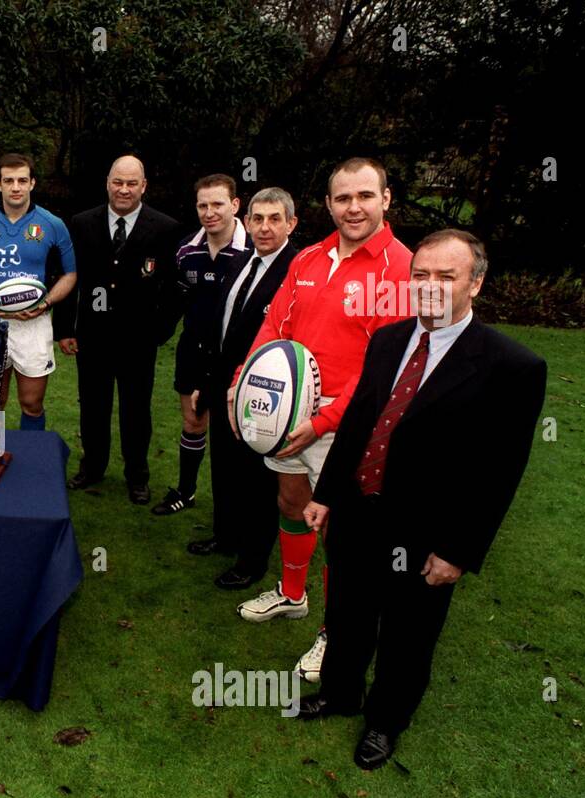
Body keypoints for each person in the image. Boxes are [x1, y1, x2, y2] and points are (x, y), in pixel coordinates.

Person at [296, 230, 547, 769]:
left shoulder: (512, 366)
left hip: (426, 533)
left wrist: (458, 550)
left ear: (476, 283)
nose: (429, 286)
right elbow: (361, 421)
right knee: (346, 614)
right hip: (359, 513)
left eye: (446, 276)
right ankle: (341, 694)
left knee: (408, 638)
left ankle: (385, 723)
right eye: (421, 274)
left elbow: (501, 472)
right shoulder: (388, 339)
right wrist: (327, 494)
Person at [228, 159, 412, 684]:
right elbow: (273, 324)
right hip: (289, 406)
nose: (353, 207)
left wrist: (327, 418)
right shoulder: (309, 256)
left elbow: (385, 363)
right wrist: (244, 383)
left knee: (335, 525)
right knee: (288, 499)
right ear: (328, 204)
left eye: (364, 196)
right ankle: (291, 594)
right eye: (342, 198)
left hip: (349, 420)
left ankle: (336, 631)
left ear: (386, 199)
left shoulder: (399, 268)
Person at [189, 187, 300, 589]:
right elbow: (222, 330)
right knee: (224, 467)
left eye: (274, 219)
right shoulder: (238, 260)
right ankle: (226, 535)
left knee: (257, 477)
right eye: (257, 218)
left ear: (291, 223)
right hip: (222, 385)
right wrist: (207, 383)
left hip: (263, 392)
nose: (264, 227)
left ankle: (252, 561)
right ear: (246, 221)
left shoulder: (297, 271)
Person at [57, 155, 181, 503]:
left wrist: (160, 331)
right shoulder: (81, 223)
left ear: (143, 186)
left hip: (138, 341)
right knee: (93, 407)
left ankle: (137, 475)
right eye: (118, 182)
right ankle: (93, 466)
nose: (124, 190)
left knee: (136, 410)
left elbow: (173, 288)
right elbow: (70, 279)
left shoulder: (166, 228)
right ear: (108, 182)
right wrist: (66, 328)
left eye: (131, 183)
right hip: (93, 338)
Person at [152, 174, 252, 516]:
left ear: (235, 205)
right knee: (193, 422)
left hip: (237, 357)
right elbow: (175, 300)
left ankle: (237, 506)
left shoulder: (253, 251)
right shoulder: (185, 251)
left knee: (236, 433)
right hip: (193, 350)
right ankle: (186, 491)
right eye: (203, 205)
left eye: (218, 204)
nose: (210, 212)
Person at [0, 152, 77, 430]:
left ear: (32, 183)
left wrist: (46, 303)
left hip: (33, 324)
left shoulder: (52, 224)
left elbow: (70, 274)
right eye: (8, 180)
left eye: (22, 180)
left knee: (31, 403)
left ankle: (32, 464)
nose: (16, 187)